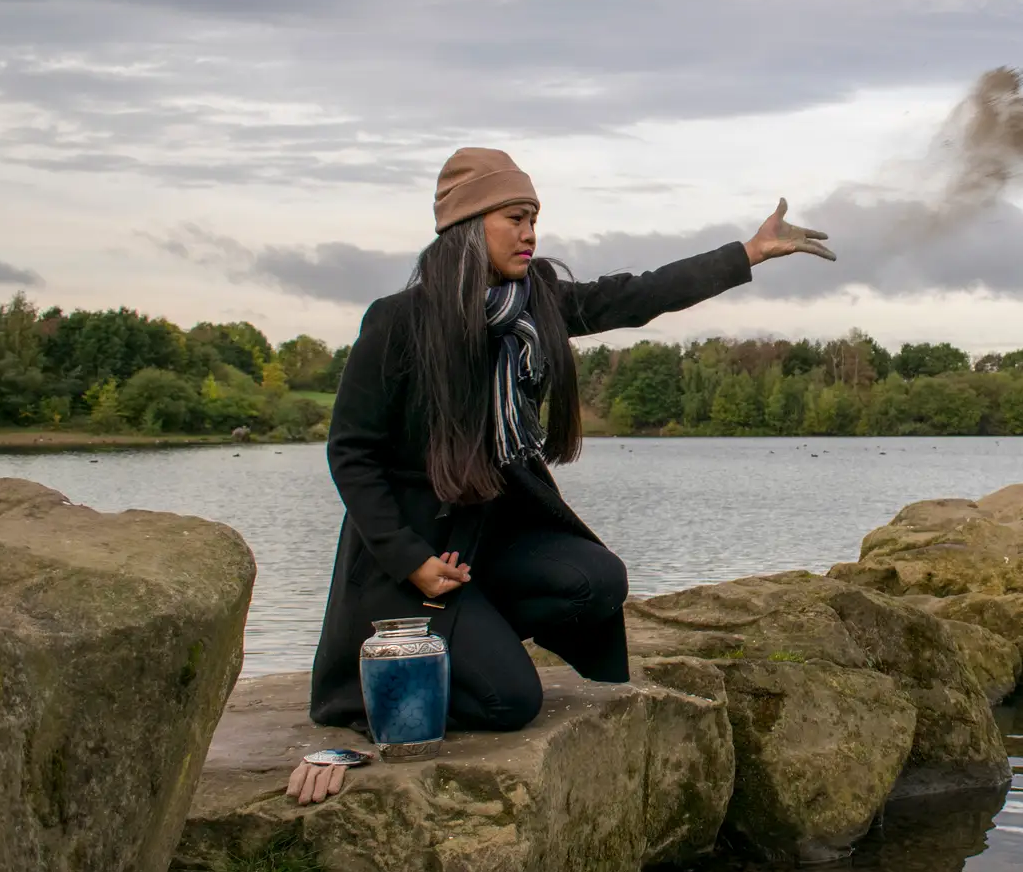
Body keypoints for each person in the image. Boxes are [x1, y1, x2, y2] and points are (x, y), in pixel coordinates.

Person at [286, 147, 832, 803]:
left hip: (487, 547)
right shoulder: (397, 323)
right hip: (413, 565)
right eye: (515, 217)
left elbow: (632, 297)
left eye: (533, 218)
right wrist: (411, 561)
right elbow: (350, 452)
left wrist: (746, 253)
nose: (530, 233)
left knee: (596, 580)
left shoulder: (531, 305)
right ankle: (408, 672)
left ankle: (471, 631)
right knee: (512, 702)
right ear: (466, 225)